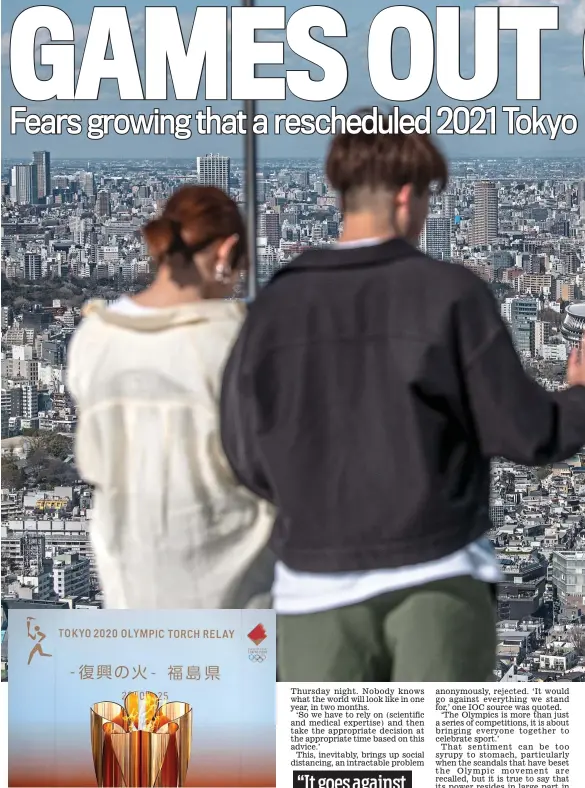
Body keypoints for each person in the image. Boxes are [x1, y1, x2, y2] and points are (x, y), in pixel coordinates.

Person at [220, 124, 585, 681]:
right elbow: (530, 432)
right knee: (432, 761)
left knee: (333, 763)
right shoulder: (449, 295)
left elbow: (243, 452)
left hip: (314, 585)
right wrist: (579, 395)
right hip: (436, 575)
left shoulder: (276, 306)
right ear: (406, 194)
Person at [67, 186, 274, 609]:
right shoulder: (237, 341)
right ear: (226, 251)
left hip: (130, 576)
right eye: (239, 270)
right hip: (231, 583)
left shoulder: (93, 338)